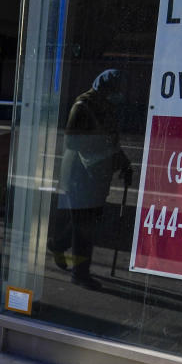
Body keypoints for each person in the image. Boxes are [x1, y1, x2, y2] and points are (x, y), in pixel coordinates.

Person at [48, 69, 132, 289]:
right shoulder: (83, 105)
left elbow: (111, 140)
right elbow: (72, 143)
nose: (117, 94)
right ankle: (80, 274)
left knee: (85, 222)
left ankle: (58, 244)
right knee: (84, 226)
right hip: (80, 175)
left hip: (96, 175)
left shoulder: (107, 106)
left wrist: (123, 163)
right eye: (114, 90)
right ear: (105, 88)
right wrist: (103, 154)